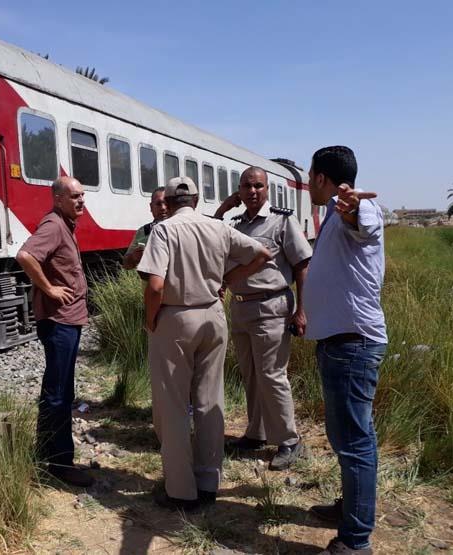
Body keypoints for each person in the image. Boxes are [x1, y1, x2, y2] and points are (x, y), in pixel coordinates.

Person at [137, 176, 271, 510]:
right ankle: (209, 481)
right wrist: (230, 279)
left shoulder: (164, 230)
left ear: (167, 201)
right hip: (212, 314)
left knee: (173, 404)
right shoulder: (218, 228)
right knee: (210, 401)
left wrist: (150, 319)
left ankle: (181, 489)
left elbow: (155, 286)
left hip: (176, 317)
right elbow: (263, 253)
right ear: (196, 200)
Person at [302, 146, 386, 555]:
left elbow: (364, 223)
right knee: (346, 439)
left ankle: (356, 540)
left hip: (353, 344)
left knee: (355, 442)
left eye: (309, 175)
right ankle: (350, 510)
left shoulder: (357, 211)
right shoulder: (334, 215)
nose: (306, 183)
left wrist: (350, 207)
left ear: (321, 178)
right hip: (341, 342)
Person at [215, 167, 312, 470]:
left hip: (272, 307)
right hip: (241, 308)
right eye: (247, 186)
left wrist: (302, 310)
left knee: (272, 375)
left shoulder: (282, 221)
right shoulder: (234, 224)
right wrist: (222, 209)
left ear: (267, 190)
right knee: (251, 374)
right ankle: (256, 434)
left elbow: (302, 265)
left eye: (258, 186)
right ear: (239, 191)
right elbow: (208, 236)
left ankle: (289, 440)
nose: (252, 191)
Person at [15, 176, 93, 488]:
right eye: (74, 196)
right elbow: (25, 255)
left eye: (82, 194)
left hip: (67, 320)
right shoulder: (54, 225)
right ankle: (59, 463)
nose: (81, 200)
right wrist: (48, 288)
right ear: (58, 198)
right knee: (58, 394)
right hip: (59, 322)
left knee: (60, 391)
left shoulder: (65, 224)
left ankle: (49, 455)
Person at [122, 187, 169, 270]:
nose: (163, 208)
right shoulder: (144, 231)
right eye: (158, 204)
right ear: (151, 207)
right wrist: (133, 257)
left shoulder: (181, 228)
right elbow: (126, 265)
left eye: (166, 203)